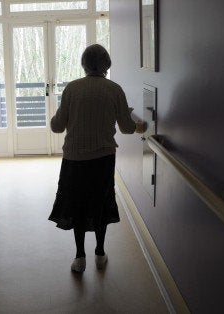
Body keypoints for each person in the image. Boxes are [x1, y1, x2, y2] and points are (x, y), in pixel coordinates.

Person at [48, 44, 147, 273]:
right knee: (100, 203)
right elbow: (126, 128)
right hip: (103, 159)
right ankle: (100, 253)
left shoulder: (72, 89)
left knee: (78, 205)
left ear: (84, 63)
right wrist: (138, 122)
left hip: (74, 159)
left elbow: (56, 127)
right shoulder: (115, 90)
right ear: (107, 64)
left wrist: (58, 115)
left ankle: (79, 257)